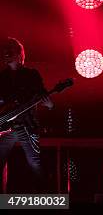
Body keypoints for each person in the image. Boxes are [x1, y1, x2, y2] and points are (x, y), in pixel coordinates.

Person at [0, 38, 53, 192]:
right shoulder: (2, 77)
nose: (7, 54)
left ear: (19, 54)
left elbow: (43, 95)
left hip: (26, 125)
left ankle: (46, 199)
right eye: (6, 51)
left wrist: (49, 104)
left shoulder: (31, 74)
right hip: (5, 127)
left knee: (35, 162)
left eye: (11, 51)